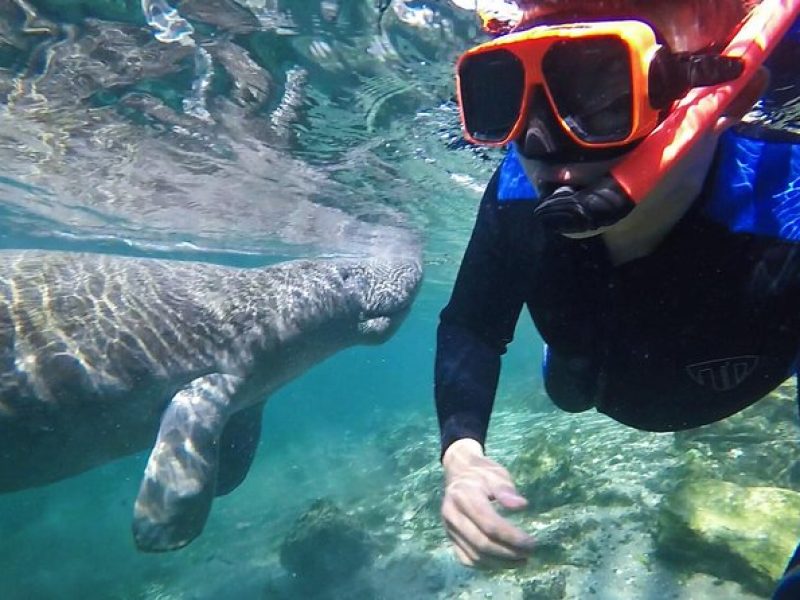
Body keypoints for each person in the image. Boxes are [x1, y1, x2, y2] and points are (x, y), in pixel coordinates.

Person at [434, 0, 800, 595]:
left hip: (751, 362)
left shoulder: (788, 203)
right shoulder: (513, 196)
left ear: (727, 98)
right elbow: (473, 326)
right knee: (569, 389)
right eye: (501, 94)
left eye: (599, 90)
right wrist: (461, 455)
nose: (536, 143)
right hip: (598, 372)